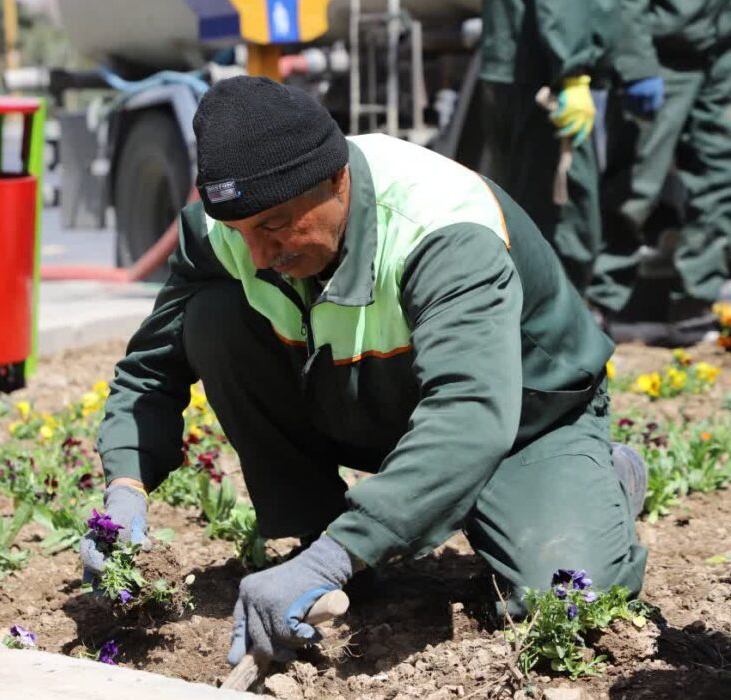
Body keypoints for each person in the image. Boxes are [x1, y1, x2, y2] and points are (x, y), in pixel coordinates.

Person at [82, 77, 648, 666]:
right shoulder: (232, 227)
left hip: (525, 418)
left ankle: (599, 479)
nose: (258, 256)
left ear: (337, 179)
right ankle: (333, 534)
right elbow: (150, 370)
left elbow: (470, 412)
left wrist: (334, 560)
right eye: (238, 231)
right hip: (387, 399)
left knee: (563, 599)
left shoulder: (441, 229)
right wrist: (126, 489)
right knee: (211, 317)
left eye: (274, 225)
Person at [589, 0, 731, 331]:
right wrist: (636, 65)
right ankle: (600, 302)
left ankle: (695, 305)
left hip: (721, 55)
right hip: (661, 56)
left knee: (718, 179)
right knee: (635, 184)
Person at [478, 0, 615, 295]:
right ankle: (558, 311)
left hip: (511, 60)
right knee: (561, 213)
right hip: (546, 69)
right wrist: (572, 70)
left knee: (516, 207)